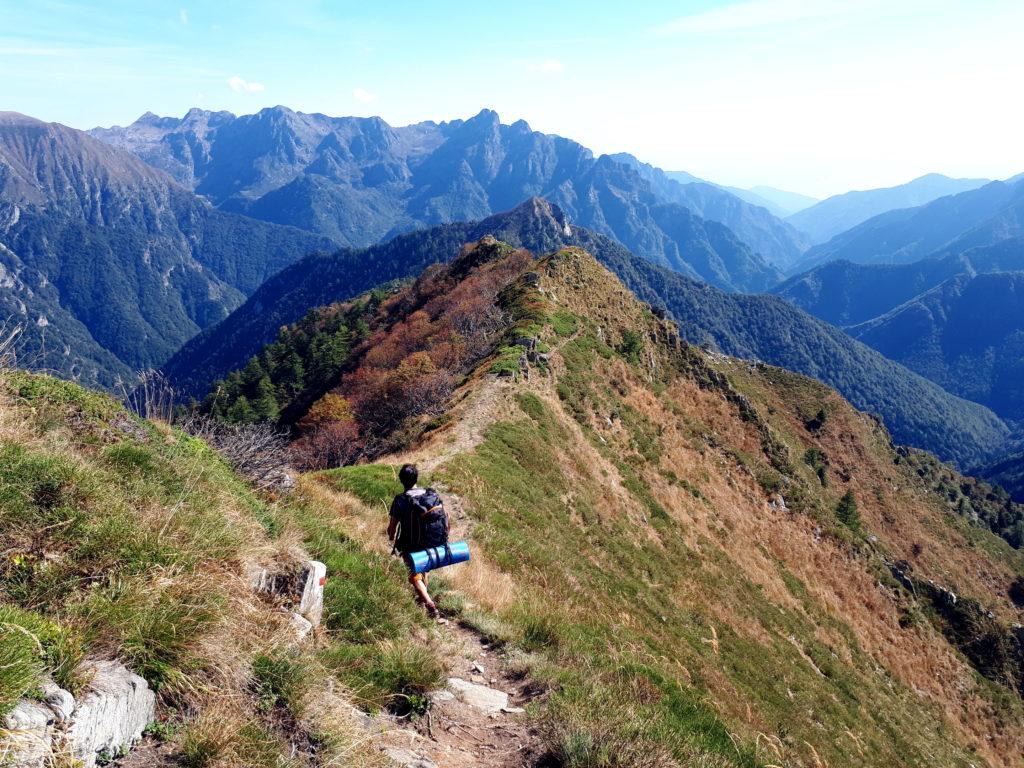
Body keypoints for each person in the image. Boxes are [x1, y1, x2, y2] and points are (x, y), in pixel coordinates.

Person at [387, 463, 449, 619]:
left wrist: (391, 537)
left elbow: (392, 528)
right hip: (432, 541)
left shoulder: (400, 500)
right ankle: (421, 602)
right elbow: (446, 518)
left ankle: (430, 604)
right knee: (422, 571)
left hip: (411, 543)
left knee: (414, 574)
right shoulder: (431, 495)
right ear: (416, 478)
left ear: (401, 480)